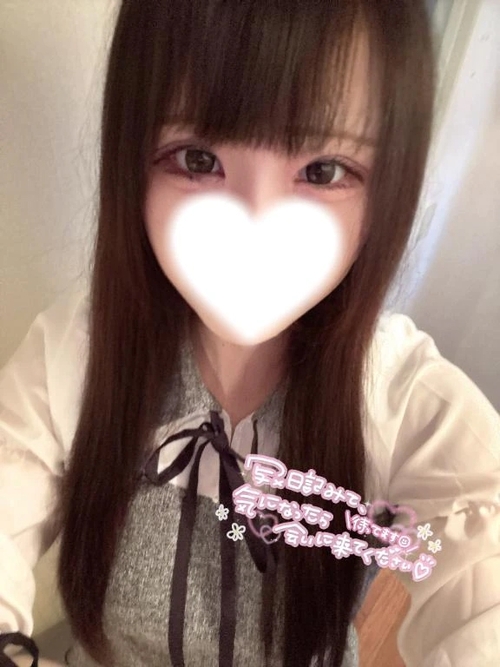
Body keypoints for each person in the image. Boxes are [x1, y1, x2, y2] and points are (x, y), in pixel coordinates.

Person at [1, 1, 499, 666]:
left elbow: (481, 554)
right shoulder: (81, 349)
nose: (255, 225)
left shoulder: (395, 393)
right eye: (197, 158)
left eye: (323, 170)